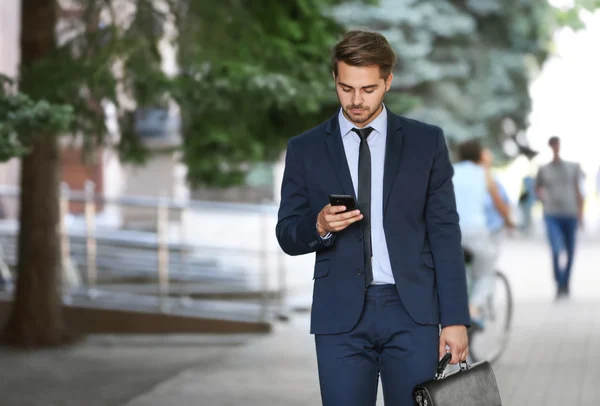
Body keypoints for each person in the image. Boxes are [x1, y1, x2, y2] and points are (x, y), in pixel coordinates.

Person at [275, 30, 469, 406]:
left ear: (388, 82)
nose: (356, 100)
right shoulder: (305, 149)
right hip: (339, 318)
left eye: (368, 89)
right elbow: (286, 233)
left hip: (412, 313)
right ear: (335, 79)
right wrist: (317, 226)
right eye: (346, 88)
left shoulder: (425, 143)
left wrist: (455, 319)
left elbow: (445, 233)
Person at [452, 141, 511, 328]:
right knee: (486, 270)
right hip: (475, 231)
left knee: (456, 272)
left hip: (451, 231)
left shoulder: (449, 171)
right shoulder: (484, 173)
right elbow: (499, 203)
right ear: (479, 155)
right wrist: (509, 221)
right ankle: (474, 309)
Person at [536, 136, 584, 299]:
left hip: (570, 212)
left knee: (570, 251)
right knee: (556, 249)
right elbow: (538, 188)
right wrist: (543, 198)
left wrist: (581, 214)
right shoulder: (544, 169)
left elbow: (579, 190)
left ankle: (566, 282)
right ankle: (559, 282)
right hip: (552, 214)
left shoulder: (572, 167)